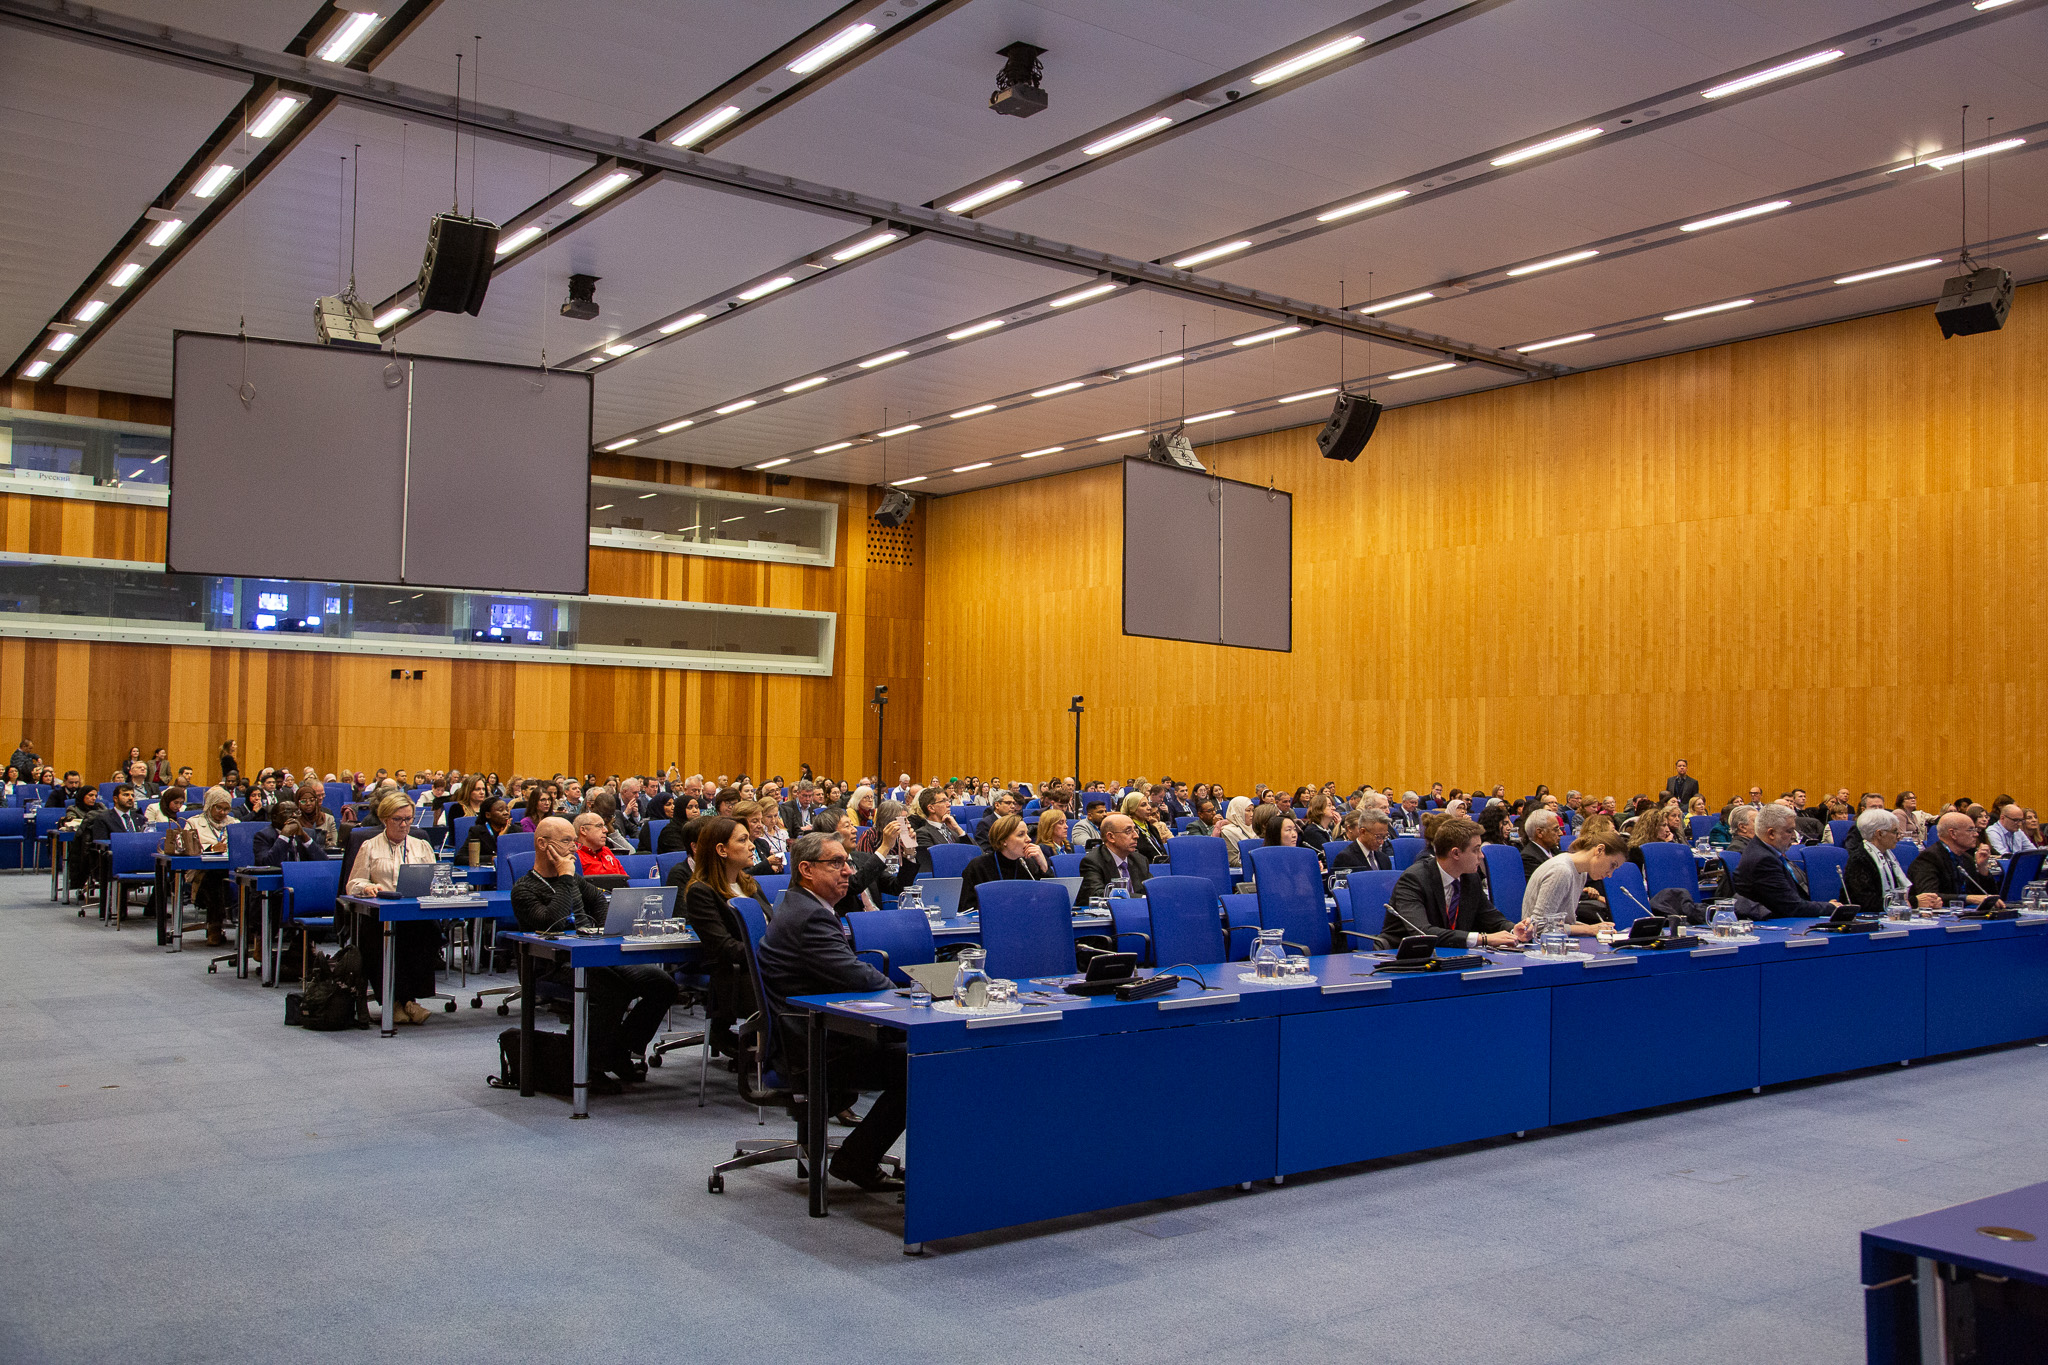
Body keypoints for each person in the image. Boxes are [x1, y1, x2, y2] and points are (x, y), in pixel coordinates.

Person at [756, 832, 907, 1193]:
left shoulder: (803, 905)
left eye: (848, 862)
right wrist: (908, 995)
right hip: (812, 1046)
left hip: (816, 1031)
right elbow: (856, 975)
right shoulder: (809, 917)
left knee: (914, 1053)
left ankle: (857, 1157)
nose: (847, 871)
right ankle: (858, 1159)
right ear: (806, 869)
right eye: (836, 863)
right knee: (922, 1065)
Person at [510, 816, 678, 1086]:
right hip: (552, 965)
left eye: (574, 842)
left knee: (662, 985)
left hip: (592, 955)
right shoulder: (525, 889)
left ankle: (619, 1050)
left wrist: (600, 929)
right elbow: (550, 921)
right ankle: (594, 1065)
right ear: (542, 844)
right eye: (566, 842)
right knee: (613, 989)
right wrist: (565, 878)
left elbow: (598, 899)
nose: (574, 848)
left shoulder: (574, 879)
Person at [343, 792, 441, 1026]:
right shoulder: (369, 846)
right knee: (382, 939)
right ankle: (404, 1003)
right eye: (398, 819)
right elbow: (352, 883)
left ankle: (402, 1002)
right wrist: (367, 887)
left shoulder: (422, 846)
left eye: (408, 818)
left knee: (428, 935)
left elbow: (435, 880)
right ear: (386, 819)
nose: (405, 824)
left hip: (414, 913)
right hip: (380, 915)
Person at [682, 816, 770, 1060]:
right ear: (721, 850)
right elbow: (723, 946)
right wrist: (770, 954)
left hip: (768, 968)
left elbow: (771, 927)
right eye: (743, 840)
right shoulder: (702, 891)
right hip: (739, 976)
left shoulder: (750, 884)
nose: (752, 845)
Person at [1385, 816, 1526, 949]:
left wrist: (1513, 930)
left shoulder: (1470, 878)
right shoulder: (1414, 879)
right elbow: (1422, 931)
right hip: (1403, 957)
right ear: (1456, 853)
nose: (1481, 856)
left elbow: (1491, 919)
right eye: (1476, 850)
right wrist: (1482, 939)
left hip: (1452, 956)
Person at [1733, 804, 1843, 920]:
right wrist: (1830, 907)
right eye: (1789, 831)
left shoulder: (1764, 851)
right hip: (1775, 925)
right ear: (1771, 833)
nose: (1793, 836)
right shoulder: (1763, 860)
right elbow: (1792, 907)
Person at [1522, 829, 1628, 935]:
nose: (1610, 874)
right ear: (1599, 850)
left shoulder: (1581, 873)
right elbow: (1539, 927)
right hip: (1537, 945)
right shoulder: (1561, 871)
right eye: (1612, 865)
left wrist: (1595, 928)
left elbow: (1565, 923)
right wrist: (1589, 930)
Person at [1842, 808, 1939, 918]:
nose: (1898, 836)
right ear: (1879, 834)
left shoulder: (1888, 857)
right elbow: (1867, 903)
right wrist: (1914, 902)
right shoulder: (1860, 859)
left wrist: (1929, 901)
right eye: (1894, 832)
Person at [959, 814, 1052, 913]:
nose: (1028, 839)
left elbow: (1049, 900)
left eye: (1027, 834)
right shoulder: (978, 866)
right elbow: (966, 909)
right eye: (1021, 834)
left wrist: (1043, 865)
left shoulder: (1028, 864)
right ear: (1003, 840)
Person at [1908, 812, 2004, 909]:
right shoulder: (1928, 858)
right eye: (1970, 830)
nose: (1976, 834)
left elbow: (1987, 896)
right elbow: (1930, 897)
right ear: (1953, 833)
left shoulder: (1967, 858)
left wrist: (1983, 868)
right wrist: (1968, 898)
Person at [1077, 813, 1151, 904]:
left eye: (1135, 830)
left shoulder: (1140, 860)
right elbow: (1097, 894)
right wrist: (1142, 898)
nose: (1136, 836)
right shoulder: (1092, 861)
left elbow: (1151, 889)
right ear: (1111, 837)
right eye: (1128, 831)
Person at [908, 787, 967, 873]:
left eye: (948, 800)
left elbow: (978, 853)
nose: (949, 804)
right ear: (931, 808)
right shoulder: (923, 834)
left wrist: (959, 829)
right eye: (943, 801)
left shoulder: (953, 830)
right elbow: (935, 865)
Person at [255, 799, 327, 864]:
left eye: (297, 812)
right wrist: (284, 835)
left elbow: (324, 862)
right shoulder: (263, 836)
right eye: (288, 812)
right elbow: (267, 864)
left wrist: (304, 837)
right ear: (274, 817)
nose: (294, 815)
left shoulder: (309, 834)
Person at [1120, 791, 1173, 861]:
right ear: (1132, 809)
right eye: (1143, 805)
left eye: (1148, 804)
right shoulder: (1128, 831)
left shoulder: (1152, 828)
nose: (1149, 808)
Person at [572, 812, 626, 878]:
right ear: (583, 830)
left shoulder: (606, 851)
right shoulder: (573, 855)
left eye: (604, 826)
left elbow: (625, 880)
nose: (606, 830)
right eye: (599, 826)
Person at [462, 798, 513, 867]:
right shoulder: (477, 832)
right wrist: (490, 859)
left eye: (507, 810)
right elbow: (460, 858)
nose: (506, 813)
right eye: (500, 810)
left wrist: (502, 838)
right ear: (488, 815)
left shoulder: (516, 831)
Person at [1519, 808, 1563, 881]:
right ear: (1540, 833)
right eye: (1556, 829)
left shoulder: (1554, 851)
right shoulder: (1528, 858)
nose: (1561, 833)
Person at [1216, 795, 1259, 869]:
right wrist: (1258, 865)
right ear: (1237, 812)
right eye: (1248, 810)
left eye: (1253, 810)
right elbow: (1232, 861)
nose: (1252, 814)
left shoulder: (1254, 829)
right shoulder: (1228, 832)